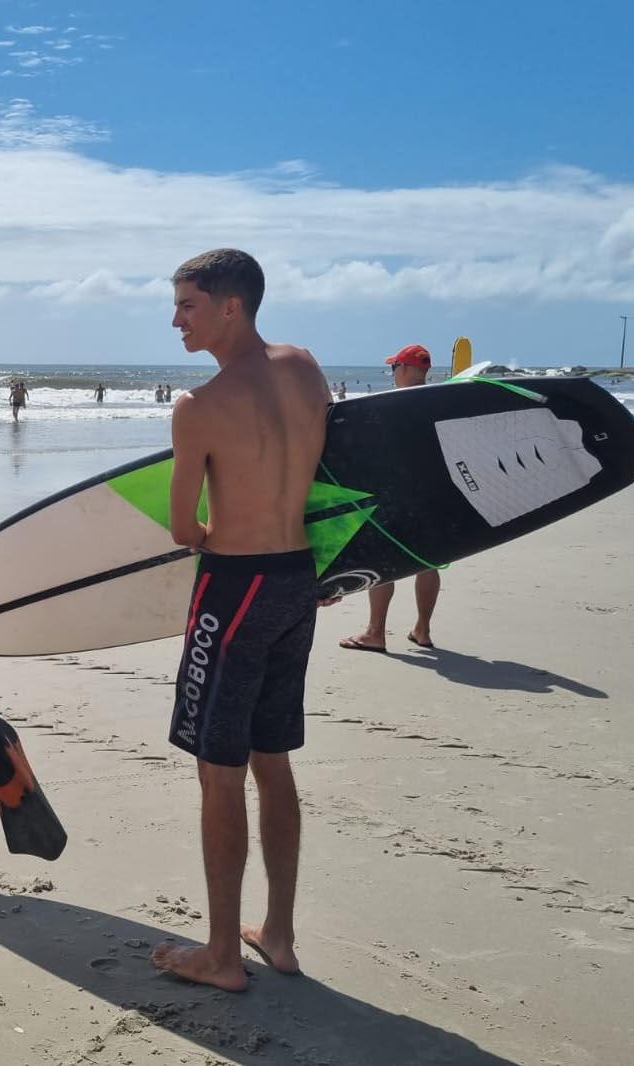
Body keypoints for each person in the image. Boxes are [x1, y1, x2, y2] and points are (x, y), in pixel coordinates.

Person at [153, 248, 331, 992]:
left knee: (217, 773)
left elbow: (182, 527)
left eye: (188, 305)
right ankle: (278, 935)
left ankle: (222, 956)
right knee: (273, 759)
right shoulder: (306, 368)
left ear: (232, 306)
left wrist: (210, 530)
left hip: (234, 591)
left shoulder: (198, 408)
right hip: (297, 581)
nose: (176, 320)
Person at [340, 344, 442, 652]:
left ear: (407, 369)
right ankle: (422, 630)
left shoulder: (392, 403)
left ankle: (375, 632)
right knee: (429, 562)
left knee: (383, 560)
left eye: (394, 367)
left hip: (397, 493)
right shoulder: (442, 402)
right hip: (435, 492)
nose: (393, 373)